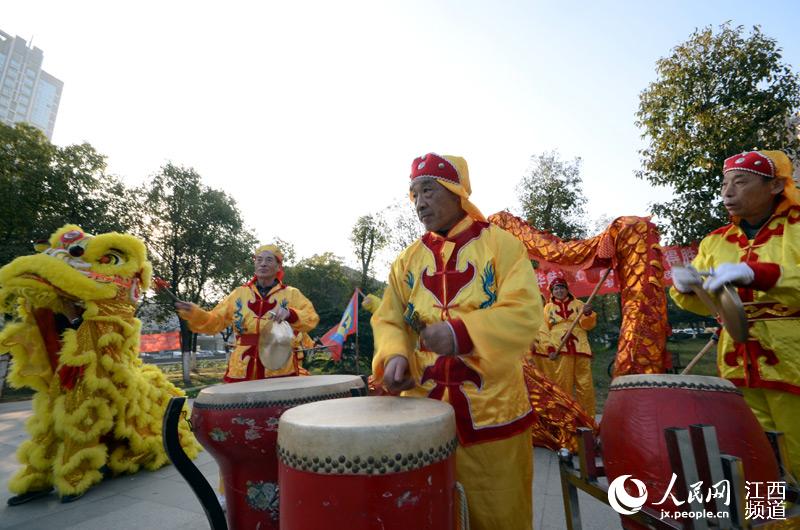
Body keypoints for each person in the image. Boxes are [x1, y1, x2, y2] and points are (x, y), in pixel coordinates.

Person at [371, 153, 541, 530]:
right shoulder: (406, 261)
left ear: (456, 191)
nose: (419, 202)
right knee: (426, 516)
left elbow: (526, 312)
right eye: (413, 193)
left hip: (492, 416)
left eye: (428, 190)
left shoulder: (502, 246)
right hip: (421, 418)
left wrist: (461, 333)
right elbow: (389, 317)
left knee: (500, 519)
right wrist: (394, 354)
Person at [671, 149, 800, 479]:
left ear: (775, 186)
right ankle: (773, 514)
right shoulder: (716, 241)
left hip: (792, 358)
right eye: (725, 183)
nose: (727, 193)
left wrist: (761, 274)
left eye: (740, 183)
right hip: (737, 359)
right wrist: (687, 288)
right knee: (756, 448)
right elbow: (702, 302)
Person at [176, 244, 319, 381]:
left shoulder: (291, 294)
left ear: (278, 266)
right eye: (259, 259)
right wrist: (194, 312)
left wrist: (291, 314)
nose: (263, 264)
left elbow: (311, 318)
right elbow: (214, 321)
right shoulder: (239, 294)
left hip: (278, 364)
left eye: (269, 260)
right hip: (242, 367)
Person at [543, 277, 597, 417]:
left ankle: (587, 420)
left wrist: (587, 313)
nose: (559, 291)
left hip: (580, 348)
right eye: (556, 289)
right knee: (562, 385)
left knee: (584, 385)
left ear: (567, 289)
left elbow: (588, 325)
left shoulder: (579, 304)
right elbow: (543, 331)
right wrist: (549, 349)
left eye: (562, 287)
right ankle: (565, 420)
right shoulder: (547, 309)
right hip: (560, 350)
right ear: (552, 292)